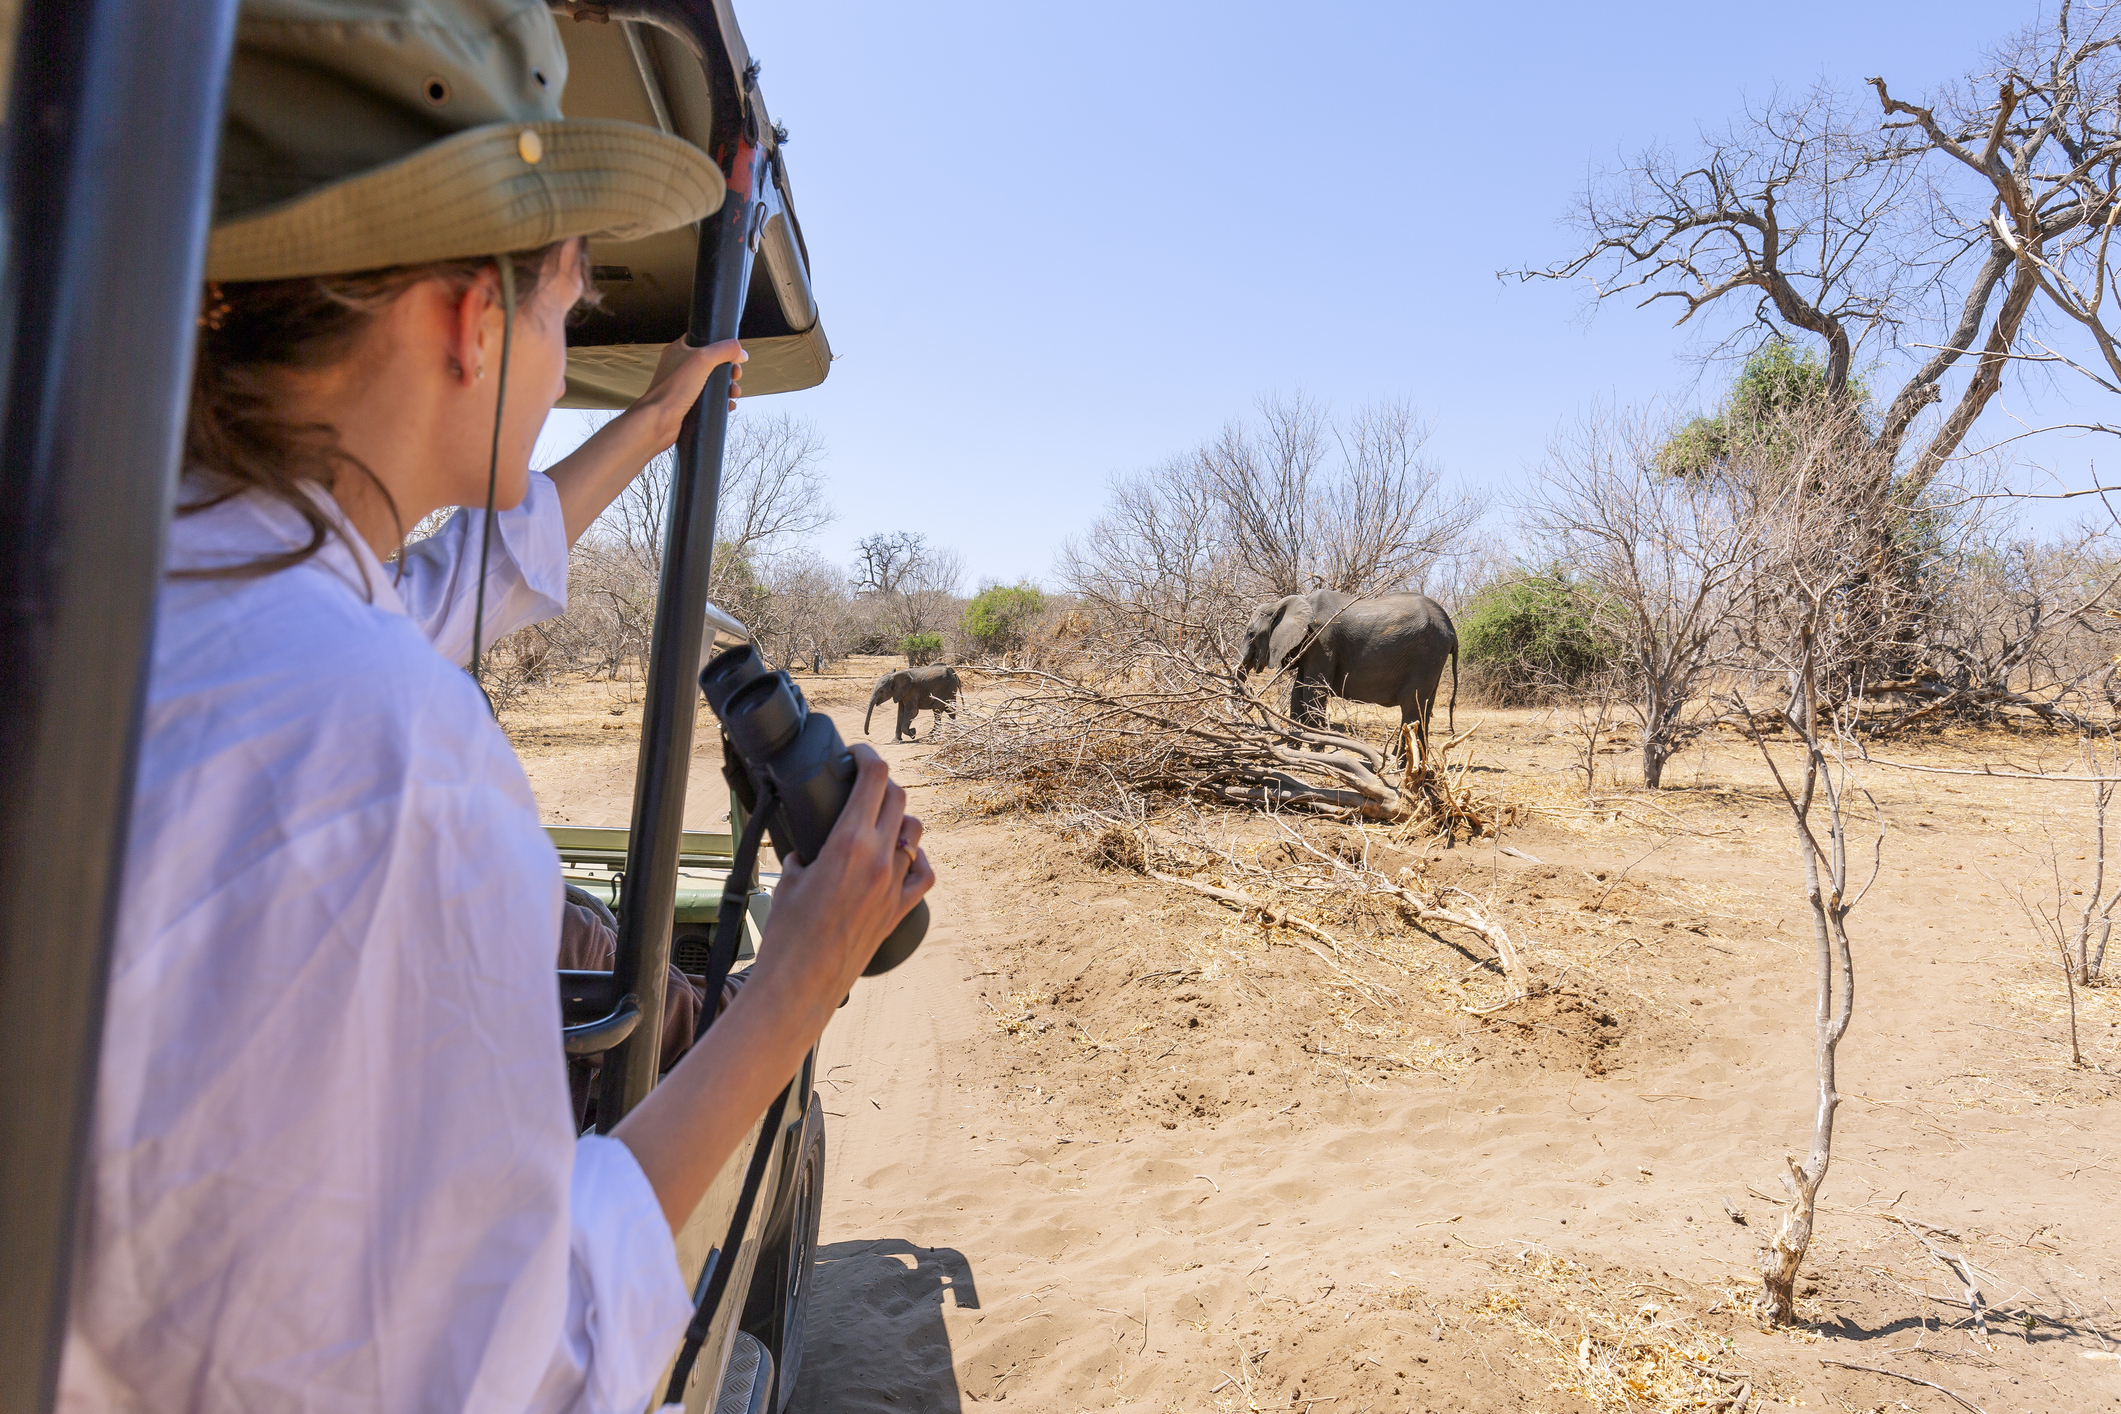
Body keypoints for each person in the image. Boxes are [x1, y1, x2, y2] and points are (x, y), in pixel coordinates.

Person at [59, 2, 933, 1410]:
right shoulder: (388, 748)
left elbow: (438, 584)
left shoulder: (121, 593)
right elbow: (535, 1353)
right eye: (559, 294)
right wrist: (793, 988)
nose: (568, 317)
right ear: (474, 319)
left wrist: (642, 427)